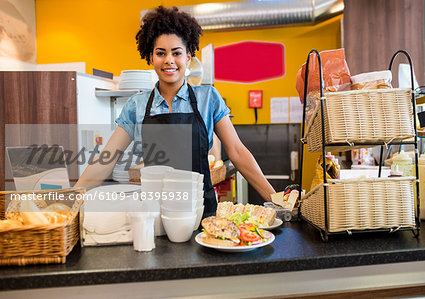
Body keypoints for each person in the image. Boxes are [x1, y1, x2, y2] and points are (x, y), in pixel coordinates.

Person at [75, 6, 275, 217]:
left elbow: (237, 151)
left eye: (176, 53)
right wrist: (74, 198)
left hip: (201, 212)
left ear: (188, 57)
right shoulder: (136, 106)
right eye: (161, 53)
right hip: (155, 214)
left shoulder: (208, 98)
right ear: (150, 57)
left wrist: (275, 201)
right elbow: (108, 158)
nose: (169, 60)